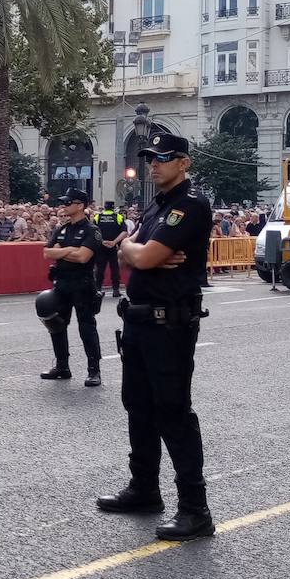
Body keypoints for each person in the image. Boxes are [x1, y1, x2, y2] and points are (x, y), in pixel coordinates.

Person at [98, 132, 216, 541]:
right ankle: (145, 488)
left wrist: (138, 250)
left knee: (173, 412)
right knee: (138, 407)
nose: (154, 164)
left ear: (184, 162)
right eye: (150, 157)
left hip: (170, 324)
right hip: (138, 322)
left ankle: (195, 510)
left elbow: (141, 255)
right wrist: (137, 247)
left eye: (164, 157)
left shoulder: (191, 206)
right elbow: (127, 250)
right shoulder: (156, 207)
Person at [35, 188, 104, 388]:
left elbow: (84, 257)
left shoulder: (92, 230)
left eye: (68, 203)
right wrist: (71, 250)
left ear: (80, 205)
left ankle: (94, 370)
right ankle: (62, 366)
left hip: (82, 285)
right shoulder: (62, 228)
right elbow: (47, 252)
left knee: (86, 327)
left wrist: (62, 251)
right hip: (62, 283)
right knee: (56, 324)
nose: (64, 206)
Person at [92, 201, 127, 297]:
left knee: (99, 269)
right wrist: (114, 242)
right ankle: (116, 290)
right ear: (113, 207)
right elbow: (124, 232)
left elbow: (93, 231)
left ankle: (98, 289)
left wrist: (102, 241)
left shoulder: (97, 217)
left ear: (104, 207)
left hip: (101, 246)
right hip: (113, 247)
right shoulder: (118, 217)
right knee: (115, 268)